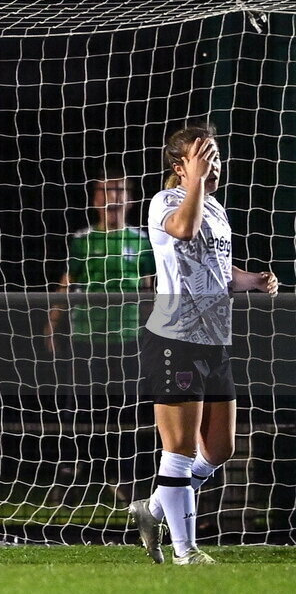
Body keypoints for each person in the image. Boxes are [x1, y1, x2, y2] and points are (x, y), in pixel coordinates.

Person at [127, 123, 278, 565]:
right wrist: (193, 182)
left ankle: (154, 507)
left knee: (219, 449)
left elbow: (220, 272)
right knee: (179, 450)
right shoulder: (167, 201)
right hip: (175, 337)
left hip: (214, 339)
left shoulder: (215, 208)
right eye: (204, 160)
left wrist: (254, 280)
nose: (214, 168)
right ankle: (184, 551)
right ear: (180, 167)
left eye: (216, 160)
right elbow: (185, 231)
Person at [44, 170, 155, 505]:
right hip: (87, 337)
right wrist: (52, 323)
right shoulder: (83, 239)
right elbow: (67, 283)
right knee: (79, 408)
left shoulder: (141, 240)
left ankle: (122, 475)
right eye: (106, 191)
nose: (113, 197)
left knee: (125, 409)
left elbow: (150, 286)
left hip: (127, 336)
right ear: (95, 199)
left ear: (130, 198)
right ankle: (72, 473)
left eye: (119, 191)